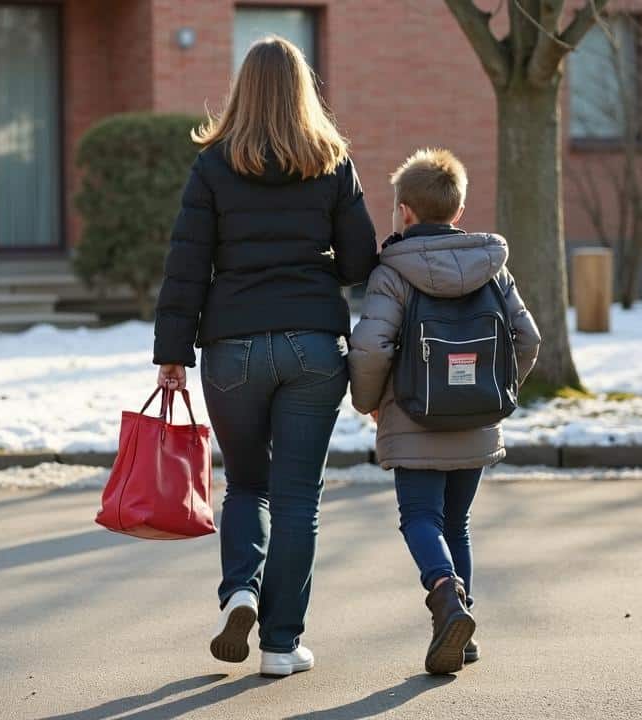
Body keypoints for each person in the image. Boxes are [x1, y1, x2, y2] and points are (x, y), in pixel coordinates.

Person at [152, 36, 377, 677]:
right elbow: (360, 261)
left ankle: (240, 592)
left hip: (232, 350)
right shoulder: (332, 162)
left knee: (247, 483)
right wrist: (315, 265)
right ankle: (281, 644)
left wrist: (172, 352)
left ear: (242, 90)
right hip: (312, 346)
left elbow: (187, 265)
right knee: (299, 497)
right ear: (304, 90)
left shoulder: (214, 166)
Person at [348, 148, 542, 674]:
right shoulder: (493, 269)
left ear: (405, 212)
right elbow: (526, 338)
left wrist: (369, 403)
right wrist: (493, 392)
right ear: (458, 212)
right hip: (476, 420)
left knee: (420, 517)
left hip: (413, 417)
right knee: (456, 520)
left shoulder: (394, 272)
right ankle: (465, 632)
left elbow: (370, 347)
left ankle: (446, 594)